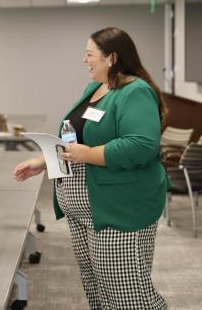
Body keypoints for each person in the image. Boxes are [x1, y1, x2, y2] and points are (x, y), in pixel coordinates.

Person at [13, 27, 168, 309]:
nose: (84, 60)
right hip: (85, 210)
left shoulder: (135, 92)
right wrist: (45, 161)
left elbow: (142, 146)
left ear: (112, 58)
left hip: (119, 209)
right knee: (98, 289)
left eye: (89, 54)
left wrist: (90, 154)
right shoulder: (95, 89)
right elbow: (77, 138)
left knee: (127, 293)